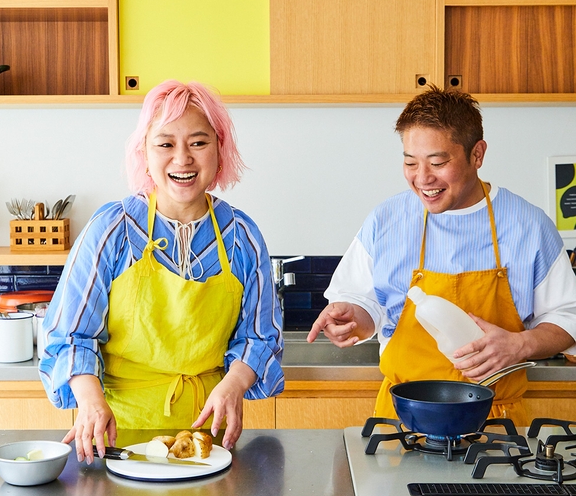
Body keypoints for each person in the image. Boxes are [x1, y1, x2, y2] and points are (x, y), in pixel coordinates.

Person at [40, 80, 284, 462]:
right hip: (118, 434)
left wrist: (235, 383)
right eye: (166, 144)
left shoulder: (242, 238)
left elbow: (261, 336)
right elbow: (70, 334)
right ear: (145, 152)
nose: (182, 158)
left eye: (198, 143)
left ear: (220, 148)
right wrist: (88, 400)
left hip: (210, 439)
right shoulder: (112, 230)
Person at [307, 85, 576, 425]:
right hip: (402, 419)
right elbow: (366, 304)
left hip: (494, 422)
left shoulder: (528, 225)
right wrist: (352, 316)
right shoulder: (387, 220)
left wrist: (519, 345)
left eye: (438, 162)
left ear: (477, 154)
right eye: (410, 162)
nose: (422, 178)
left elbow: (568, 316)